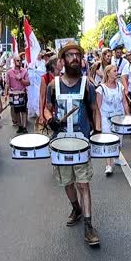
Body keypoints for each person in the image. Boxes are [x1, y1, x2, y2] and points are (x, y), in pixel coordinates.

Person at [46, 41, 102, 246]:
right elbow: (47, 109)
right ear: (63, 60)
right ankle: (76, 208)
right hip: (60, 142)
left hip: (81, 142)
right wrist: (49, 119)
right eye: (70, 55)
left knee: (83, 183)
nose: (74, 58)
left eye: (77, 55)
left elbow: (95, 109)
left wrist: (97, 131)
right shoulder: (53, 85)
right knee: (67, 183)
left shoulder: (88, 85)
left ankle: (88, 226)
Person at [96, 64, 130, 175]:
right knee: (108, 141)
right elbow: (97, 107)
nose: (117, 72)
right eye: (115, 71)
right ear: (108, 73)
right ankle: (108, 165)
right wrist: (98, 123)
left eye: (117, 70)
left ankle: (116, 158)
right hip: (106, 117)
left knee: (118, 141)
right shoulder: (101, 88)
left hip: (119, 117)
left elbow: (124, 102)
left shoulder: (120, 86)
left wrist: (128, 116)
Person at [5, 55, 31, 134]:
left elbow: (28, 83)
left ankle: (24, 127)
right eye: (17, 61)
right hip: (14, 95)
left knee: (23, 111)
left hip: (22, 93)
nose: (19, 62)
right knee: (16, 112)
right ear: (14, 61)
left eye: (20, 61)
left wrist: (20, 79)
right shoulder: (9, 72)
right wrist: (6, 93)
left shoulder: (24, 71)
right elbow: (7, 84)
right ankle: (20, 126)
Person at [38, 56, 61, 127]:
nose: (62, 63)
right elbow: (42, 97)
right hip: (48, 112)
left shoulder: (63, 77)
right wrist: (41, 115)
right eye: (60, 61)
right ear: (54, 65)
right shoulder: (45, 78)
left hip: (60, 111)